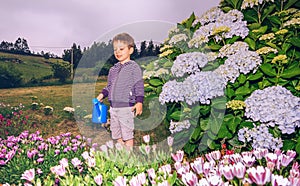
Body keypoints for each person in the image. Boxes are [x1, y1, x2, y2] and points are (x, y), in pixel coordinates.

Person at [97, 33, 144, 148]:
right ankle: (123, 152)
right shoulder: (113, 69)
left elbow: (139, 85)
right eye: (115, 49)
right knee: (116, 133)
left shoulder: (134, 67)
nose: (118, 52)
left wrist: (139, 102)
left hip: (127, 107)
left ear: (130, 50)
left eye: (121, 49)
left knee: (127, 134)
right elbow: (109, 86)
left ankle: (129, 159)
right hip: (113, 108)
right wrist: (101, 95)